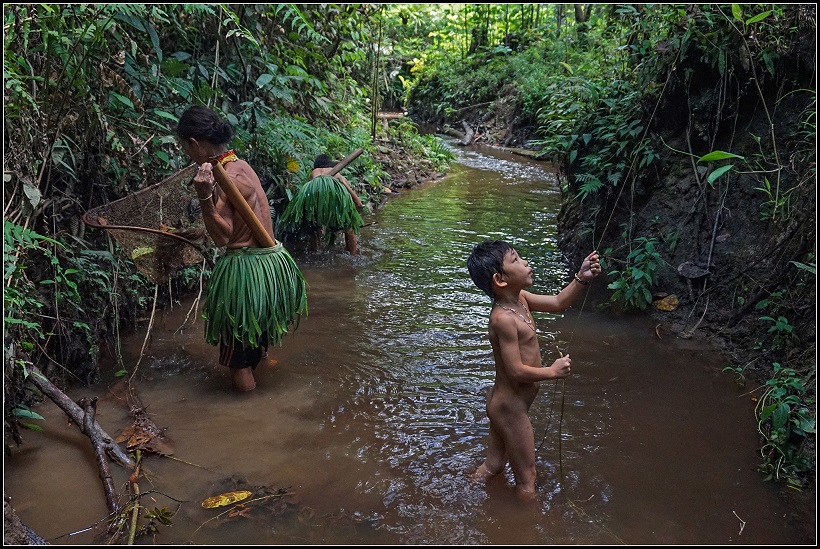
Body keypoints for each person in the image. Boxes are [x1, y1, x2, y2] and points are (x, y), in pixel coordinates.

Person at [176, 105, 307, 392]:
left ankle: (249, 418)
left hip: (247, 277)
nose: (188, 155)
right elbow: (240, 223)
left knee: (237, 365)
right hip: (271, 272)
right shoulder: (241, 166)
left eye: (186, 148)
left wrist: (203, 197)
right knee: (255, 342)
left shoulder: (228, 178)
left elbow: (223, 238)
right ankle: (263, 387)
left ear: (195, 144)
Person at [466, 240, 601, 501]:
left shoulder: (521, 300)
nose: (525, 262)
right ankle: (527, 530)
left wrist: (581, 278)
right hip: (511, 408)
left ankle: (465, 498)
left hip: (503, 403)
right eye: (515, 260)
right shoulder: (503, 318)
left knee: (493, 466)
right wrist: (553, 371)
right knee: (528, 480)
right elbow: (516, 371)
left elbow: (559, 302)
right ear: (500, 279)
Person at [308, 154, 364, 255]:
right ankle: (353, 254)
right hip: (334, 206)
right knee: (349, 224)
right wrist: (356, 211)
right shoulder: (337, 175)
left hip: (317, 207)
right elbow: (358, 203)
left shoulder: (314, 173)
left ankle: (314, 252)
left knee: (312, 225)